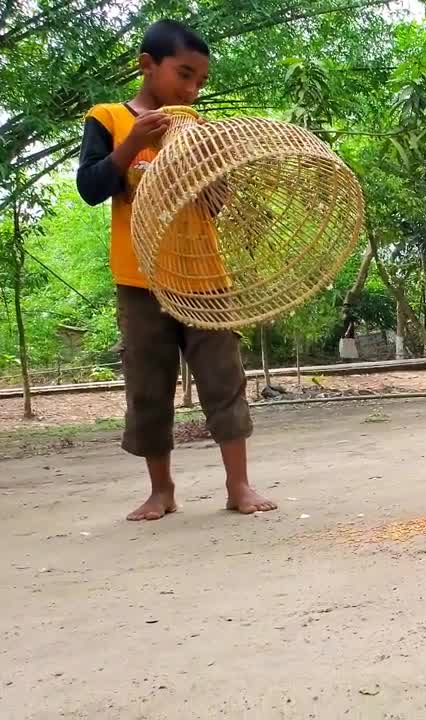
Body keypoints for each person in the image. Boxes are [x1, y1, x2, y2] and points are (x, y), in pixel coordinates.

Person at [76, 19, 276, 521]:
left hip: (204, 277)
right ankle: (161, 491)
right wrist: (133, 145)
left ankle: (238, 486)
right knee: (148, 384)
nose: (191, 90)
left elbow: (214, 205)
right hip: (140, 279)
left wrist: (197, 165)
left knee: (223, 378)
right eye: (183, 75)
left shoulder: (199, 132)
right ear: (147, 64)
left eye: (199, 83)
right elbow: (91, 187)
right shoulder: (108, 119)